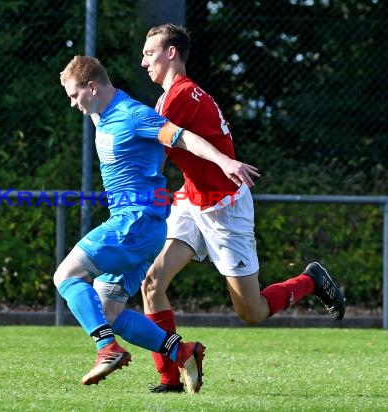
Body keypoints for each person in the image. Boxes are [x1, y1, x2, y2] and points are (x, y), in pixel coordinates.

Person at [139, 23, 346, 393]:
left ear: (172, 53)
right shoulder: (172, 96)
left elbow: (154, 147)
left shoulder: (179, 97)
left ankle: (311, 280)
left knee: (251, 312)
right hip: (192, 200)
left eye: (149, 53)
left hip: (224, 209)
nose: (143, 62)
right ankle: (170, 377)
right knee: (152, 282)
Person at [54, 55, 259, 393]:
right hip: (141, 227)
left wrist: (225, 160)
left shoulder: (134, 116)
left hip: (134, 223)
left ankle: (107, 349)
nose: (74, 104)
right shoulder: (99, 113)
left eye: (76, 96)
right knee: (109, 311)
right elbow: (92, 100)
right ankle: (183, 351)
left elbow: (183, 138)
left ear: (92, 87)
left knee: (65, 275)